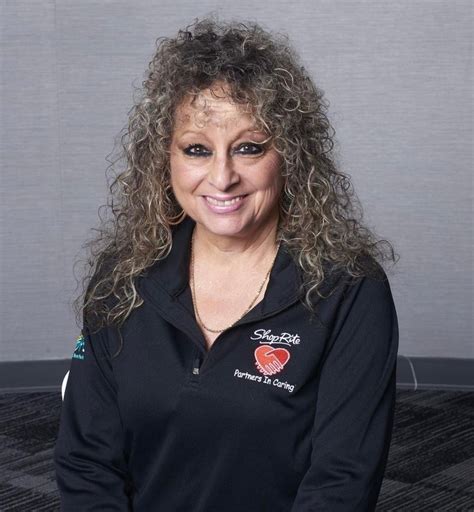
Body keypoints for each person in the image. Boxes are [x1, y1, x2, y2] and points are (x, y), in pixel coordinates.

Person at [54, 15, 399, 512]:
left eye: (248, 148)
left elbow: (342, 481)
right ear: (165, 159)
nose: (222, 177)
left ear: (290, 156)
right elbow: (87, 462)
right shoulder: (122, 275)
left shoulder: (349, 287)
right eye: (197, 149)